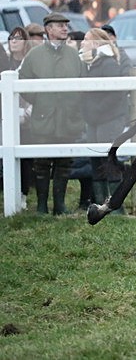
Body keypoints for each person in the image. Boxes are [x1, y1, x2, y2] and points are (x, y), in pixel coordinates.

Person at [18, 13, 84, 215]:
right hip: (43, 118)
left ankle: (60, 205)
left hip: (67, 118)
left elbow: (81, 83)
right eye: (60, 26)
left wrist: (73, 104)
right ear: (49, 30)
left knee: (65, 162)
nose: (65, 29)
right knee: (42, 162)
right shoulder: (34, 55)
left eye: (66, 25)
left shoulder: (73, 55)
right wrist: (40, 101)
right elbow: (23, 82)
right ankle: (41, 205)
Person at [79, 28, 129, 214]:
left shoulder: (108, 63)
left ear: (96, 43)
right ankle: (101, 204)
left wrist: (96, 111)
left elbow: (115, 93)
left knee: (109, 161)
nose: (82, 43)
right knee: (95, 161)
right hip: (93, 118)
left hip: (108, 117)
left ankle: (116, 207)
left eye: (86, 39)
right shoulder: (87, 63)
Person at [6, 27, 34, 207]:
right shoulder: (5, 62)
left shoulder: (30, 62)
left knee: (25, 158)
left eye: (18, 38)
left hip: (27, 116)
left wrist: (28, 110)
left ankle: (23, 193)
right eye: (11, 38)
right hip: (7, 115)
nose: (14, 41)